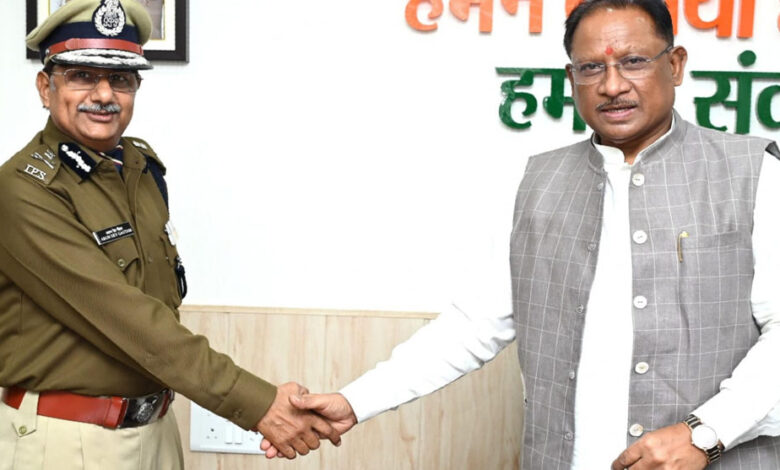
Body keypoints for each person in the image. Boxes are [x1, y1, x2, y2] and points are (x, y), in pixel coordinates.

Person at [263, 0, 780, 468]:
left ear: (676, 64)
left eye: (634, 61)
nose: (612, 85)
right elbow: (475, 325)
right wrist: (355, 401)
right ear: (571, 77)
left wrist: (705, 433)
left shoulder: (753, 173)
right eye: (591, 68)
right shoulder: (536, 182)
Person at [0, 1, 337, 468]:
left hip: (156, 429)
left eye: (121, 79)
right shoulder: (23, 189)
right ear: (45, 86)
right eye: (82, 76)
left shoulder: (139, 168)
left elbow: (160, 307)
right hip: (68, 441)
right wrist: (259, 404)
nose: (104, 94)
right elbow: (128, 320)